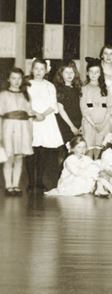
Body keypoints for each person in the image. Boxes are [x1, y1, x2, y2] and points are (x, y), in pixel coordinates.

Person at [26, 59, 64, 192]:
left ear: (46, 71)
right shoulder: (27, 85)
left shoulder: (49, 86)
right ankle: (31, 182)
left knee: (43, 151)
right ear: (32, 69)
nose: (38, 72)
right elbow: (26, 103)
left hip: (46, 120)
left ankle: (39, 181)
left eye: (41, 69)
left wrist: (43, 114)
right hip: (32, 119)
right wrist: (35, 114)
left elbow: (53, 104)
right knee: (31, 150)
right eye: (36, 69)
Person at [1, 68, 33, 195]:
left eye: (19, 78)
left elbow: (29, 114)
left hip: (23, 129)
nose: (16, 81)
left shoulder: (26, 95)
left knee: (19, 157)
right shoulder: (3, 95)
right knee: (9, 157)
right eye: (13, 78)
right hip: (8, 128)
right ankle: (8, 186)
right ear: (8, 79)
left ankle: (16, 185)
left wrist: (30, 133)